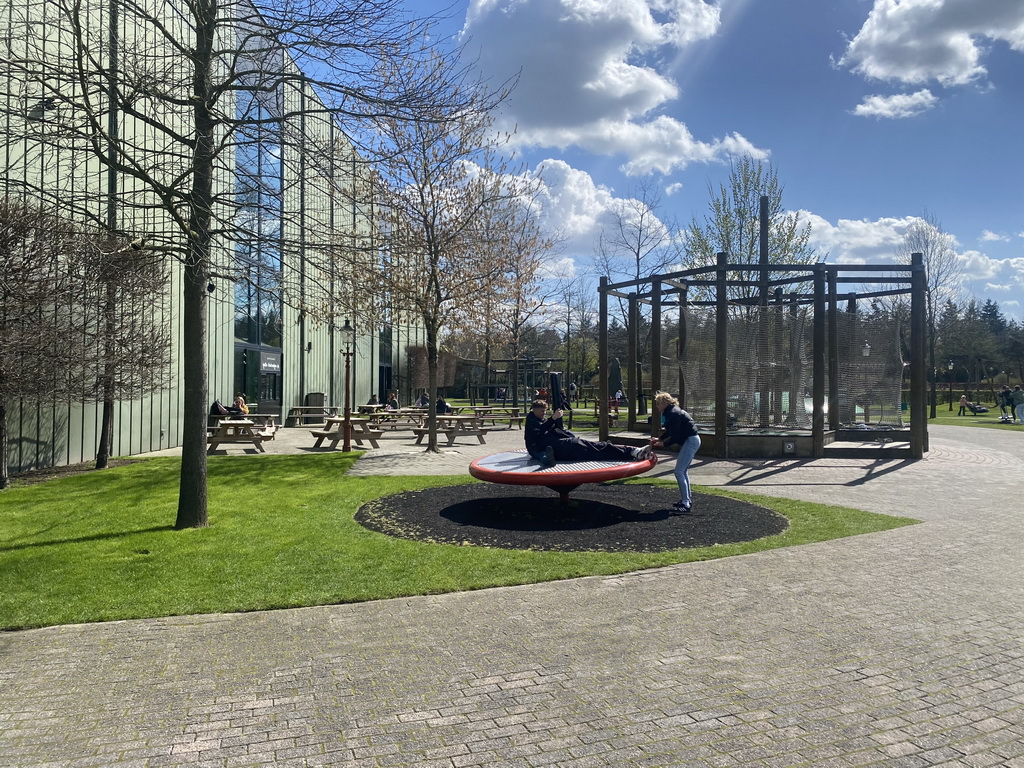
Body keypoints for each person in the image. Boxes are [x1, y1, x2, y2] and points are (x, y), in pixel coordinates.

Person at [525, 399, 651, 467]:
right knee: (590, 448)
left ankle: (631, 452)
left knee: (593, 449)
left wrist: (559, 426)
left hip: (557, 445)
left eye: (545, 411)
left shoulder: (539, 419)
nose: (544, 414)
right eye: (541, 411)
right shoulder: (532, 421)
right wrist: (552, 419)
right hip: (546, 447)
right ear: (534, 410)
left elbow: (549, 429)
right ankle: (630, 452)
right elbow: (538, 433)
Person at [650, 391, 700, 515]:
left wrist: (664, 444)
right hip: (692, 440)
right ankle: (686, 500)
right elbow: (670, 431)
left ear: (664, 403)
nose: (656, 406)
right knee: (683, 471)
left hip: (691, 441)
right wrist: (660, 439)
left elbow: (676, 435)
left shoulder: (673, 413)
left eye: (657, 404)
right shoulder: (672, 412)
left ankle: (686, 503)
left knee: (678, 471)